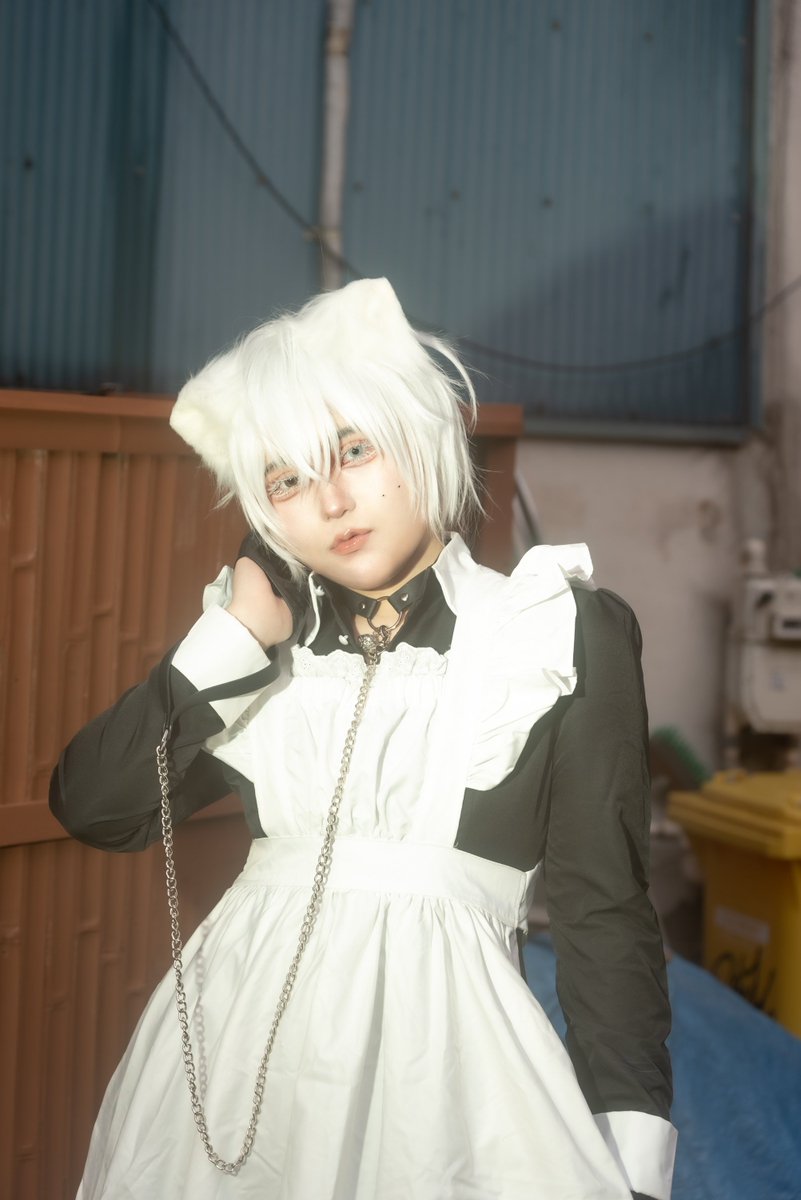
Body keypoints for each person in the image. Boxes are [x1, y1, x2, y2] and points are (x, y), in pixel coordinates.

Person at [50, 277, 676, 1200]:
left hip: (451, 1092)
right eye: (287, 480)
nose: (332, 501)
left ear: (419, 435)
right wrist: (232, 639)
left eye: (353, 450)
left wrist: (634, 1164)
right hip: (234, 1088)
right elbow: (97, 807)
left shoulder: (549, 629)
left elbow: (603, 913)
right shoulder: (261, 645)